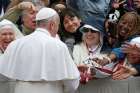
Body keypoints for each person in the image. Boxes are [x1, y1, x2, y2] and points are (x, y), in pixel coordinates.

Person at [0, 7, 80, 93]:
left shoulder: (16, 44)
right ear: (52, 25)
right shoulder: (59, 46)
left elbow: (2, 74)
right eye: (58, 26)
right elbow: (72, 81)